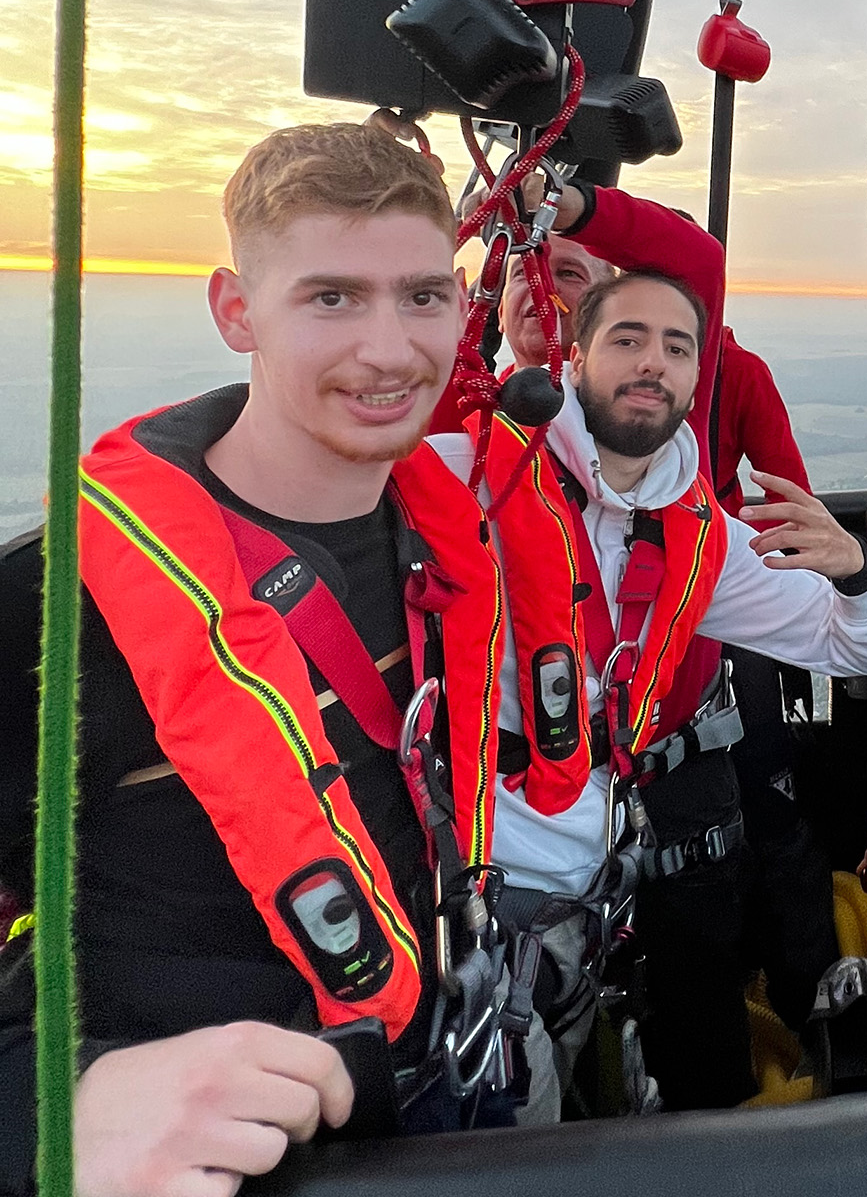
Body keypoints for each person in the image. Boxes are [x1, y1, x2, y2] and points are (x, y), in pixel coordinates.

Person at [0, 123, 510, 1194]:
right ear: (237, 310)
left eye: (422, 295)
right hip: (193, 1159)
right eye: (331, 297)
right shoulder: (61, 603)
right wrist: (49, 1103)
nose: (389, 348)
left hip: (424, 1084)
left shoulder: (438, 537)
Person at [433, 267, 867, 1114]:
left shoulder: (697, 533)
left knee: (601, 1059)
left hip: (597, 870)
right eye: (626, 339)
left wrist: (859, 573)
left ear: (695, 378)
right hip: (472, 880)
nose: (652, 363)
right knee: (506, 1112)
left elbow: (865, 645)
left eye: (676, 348)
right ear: (573, 360)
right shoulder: (466, 474)